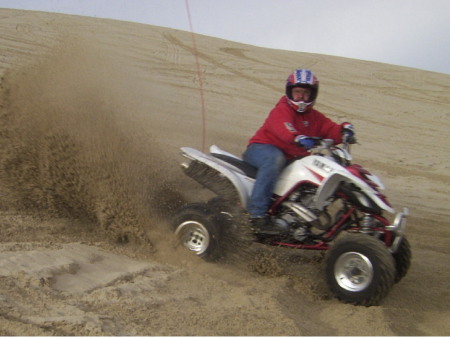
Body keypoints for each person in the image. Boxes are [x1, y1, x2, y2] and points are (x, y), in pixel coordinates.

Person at [243, 69, 355, 234]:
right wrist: (297, 137)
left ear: (312, 95)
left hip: (291, 158)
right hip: (261, 149)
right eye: (297, 92)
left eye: (305, 93)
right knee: (274, 159)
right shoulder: (282, 110)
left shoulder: (314, 117)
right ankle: (256, 215)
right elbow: (283, 127)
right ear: (290, 92)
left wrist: (344, 129)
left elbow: (330, 129)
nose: (301, 97)